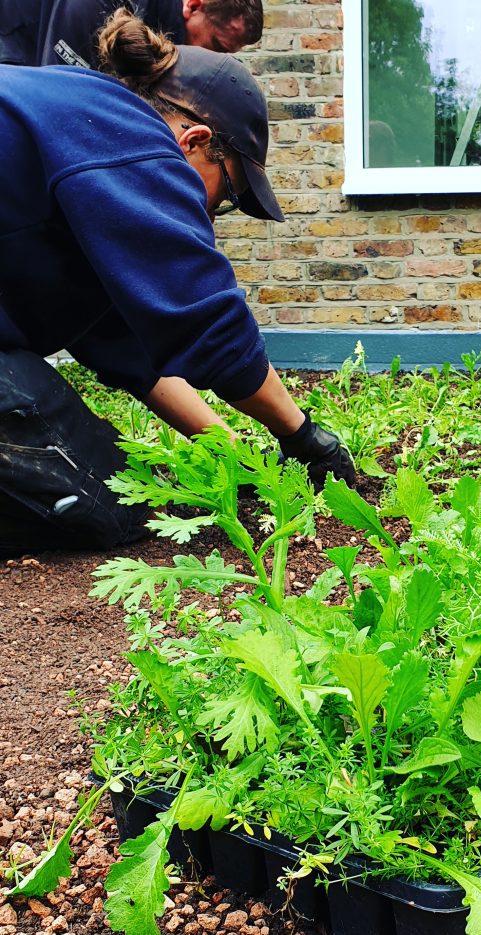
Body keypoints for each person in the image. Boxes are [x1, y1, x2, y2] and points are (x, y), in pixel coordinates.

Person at [0, 9, 355, 559]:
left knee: (108, 483)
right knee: (91, 506)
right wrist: (302, 436)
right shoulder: (134, 138)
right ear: (194, 140)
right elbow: (205, 319)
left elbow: (127, 348)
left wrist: (235, 455)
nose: (213, 214)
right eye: (227, 196)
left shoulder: (84, 121)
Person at [0, 0, 262, 69]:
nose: (212, 59)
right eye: (215, 46)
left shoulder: (153, 21)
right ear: (193, 6)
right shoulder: (99, 6)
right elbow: (59, 95)